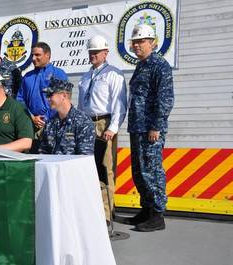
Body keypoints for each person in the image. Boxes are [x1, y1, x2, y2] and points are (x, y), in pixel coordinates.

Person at [124, 24, 174, 232]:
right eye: (134, 42)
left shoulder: (159, 65)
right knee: (139, 171)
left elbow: (165, 98)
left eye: (141, 41)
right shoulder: (141, 65)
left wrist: (156, 126)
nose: (137, 45)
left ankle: (157, 214)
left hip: (150, 129)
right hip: (137, 127)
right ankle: (146, 209)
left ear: (152, 42)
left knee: (152, 170)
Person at [77, 35, 127, 224]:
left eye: (96, 52)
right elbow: (82, 105)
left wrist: (112, 128)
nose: (93, 55)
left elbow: (119, 104)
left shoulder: (114, 74)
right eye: (90, 52)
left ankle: (106, 214)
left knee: (106, 169)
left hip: (103, 124)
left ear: (106, 53)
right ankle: (92, 209)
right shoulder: (86, 76)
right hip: (87, 124)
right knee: (89, 168)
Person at [16, 42, 68, 151]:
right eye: (32, 55)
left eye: (37, 55)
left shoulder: (58, 74)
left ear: (47, 55)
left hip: (54, 127)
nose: (33, 58)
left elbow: (63, 101)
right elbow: (20, 101)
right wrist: (32, 117)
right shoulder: (27, 77)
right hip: (31, 127)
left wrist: (47, 119)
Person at [38, 78, 94, 155]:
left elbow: (84, 157)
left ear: (64, 96)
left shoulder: (83, 122)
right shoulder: (50, 123)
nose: (48, 99)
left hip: (72, 166)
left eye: (50, 95)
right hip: (51, 165)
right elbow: (43, 152)